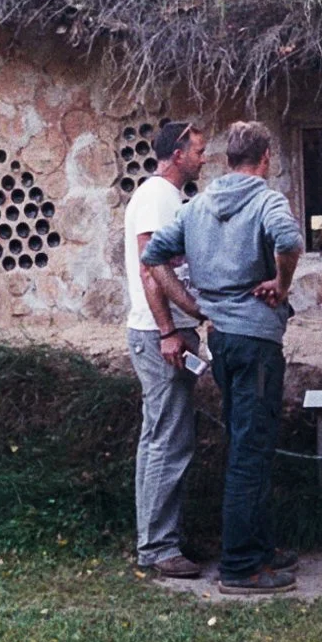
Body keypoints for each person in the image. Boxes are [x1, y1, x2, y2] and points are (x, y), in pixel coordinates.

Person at [141, 120, 304, 594]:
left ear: (227, 159)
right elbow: (290, 242)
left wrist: (196, 305)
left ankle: (259, 546)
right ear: (266, 157)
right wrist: (282, 283)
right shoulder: (266, 200)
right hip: (255, 341)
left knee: (245, 443)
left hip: (222, 341)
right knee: (251, 453)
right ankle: (240, 567)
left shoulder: (199, 206)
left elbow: (153, 257)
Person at [123, 120, 207, 580]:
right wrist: (168, 330)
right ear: (177, 154)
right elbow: (150, 269)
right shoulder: (157, 196)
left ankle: (163, 535)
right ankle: (157, 546)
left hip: (171, 330)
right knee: (165, 440)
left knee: (169, 436)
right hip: (162, 334)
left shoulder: (171, 198)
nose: (202, 157)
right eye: (197, 149)